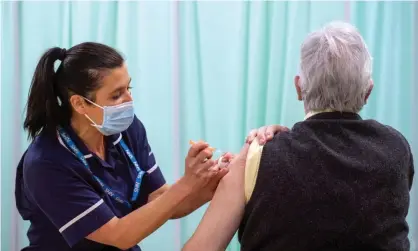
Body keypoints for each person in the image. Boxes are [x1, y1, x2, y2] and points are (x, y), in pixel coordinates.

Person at [14, 42, 286, 251]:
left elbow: (160, 202)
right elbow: (119, 236)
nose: (129, 100)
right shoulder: (46, 163)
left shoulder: (127, 131)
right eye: (116, 94)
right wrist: (188, 185)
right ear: (80, 104)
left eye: (128, 88)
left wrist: (212, 181)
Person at [183, 21, 415, 251]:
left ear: (298, 88)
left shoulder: (254, 158)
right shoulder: (397, 149)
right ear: (368, 92)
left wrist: (256, 155)